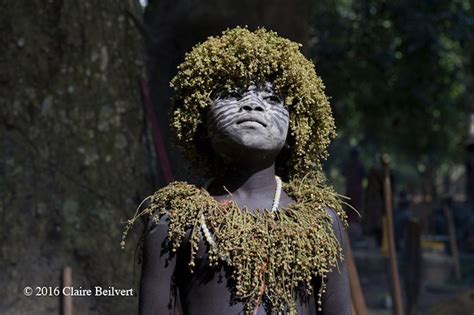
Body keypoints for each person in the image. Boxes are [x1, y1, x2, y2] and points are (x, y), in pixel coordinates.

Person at [122, 27, 351, 315]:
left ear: (297, 126)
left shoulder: (320, 222)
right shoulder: (174, 222)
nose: (253, 104)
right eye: (231, 94)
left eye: (272, 99)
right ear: (200, 120)